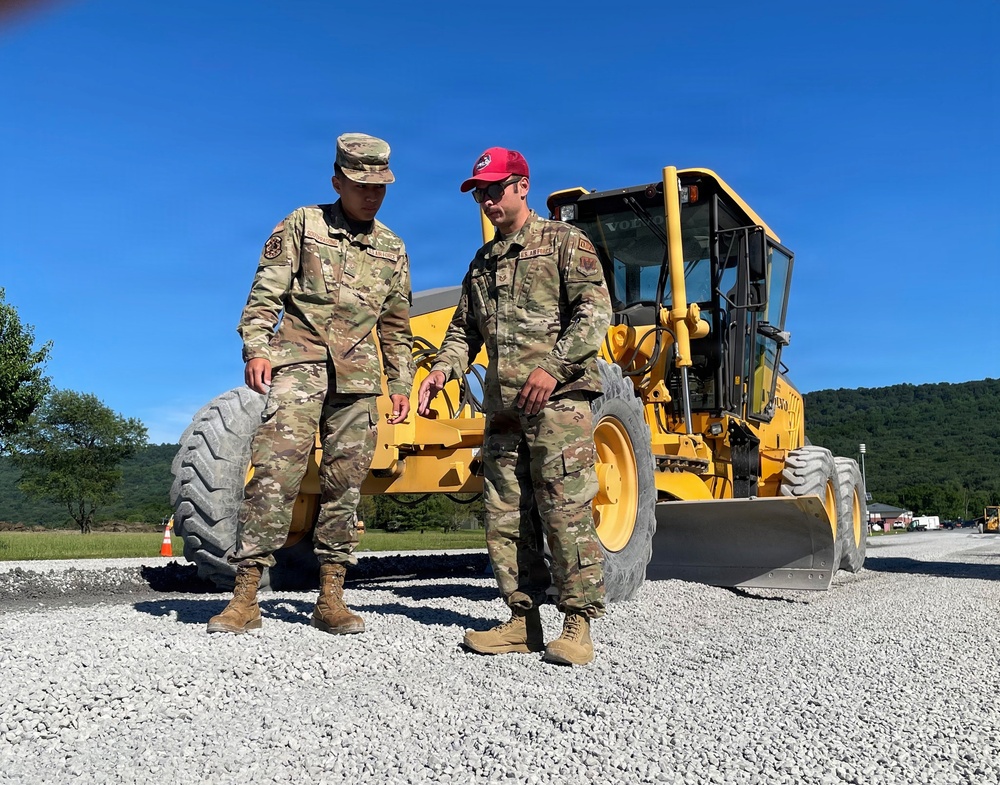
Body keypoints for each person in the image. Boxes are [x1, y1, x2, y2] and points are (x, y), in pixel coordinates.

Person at [208, 133, 414, 635]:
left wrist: (401, 382)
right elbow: (265, 293)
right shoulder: (303, 224)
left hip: (360, 380)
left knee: (345, 485)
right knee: (276, 475)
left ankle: (331, 598)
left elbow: (396, 323)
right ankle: (246, 597)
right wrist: (256, 347)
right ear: (337, 181)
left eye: (380, 186)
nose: (372, 194)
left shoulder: (392, 248)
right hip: (299, 364)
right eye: (361, 184)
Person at [417, 147, 612, 665]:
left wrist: (553, 367)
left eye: (494, 189)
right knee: (505, 514)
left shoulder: (565, 243)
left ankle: (577, 624)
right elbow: (463, 330)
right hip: (503, 408)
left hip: (558, 402)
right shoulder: (482, 264)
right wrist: (444, 369)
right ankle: (521, 620)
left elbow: (595, 313)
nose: (486, 200)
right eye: (479, 192)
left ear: (522, 187)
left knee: (563, 508)